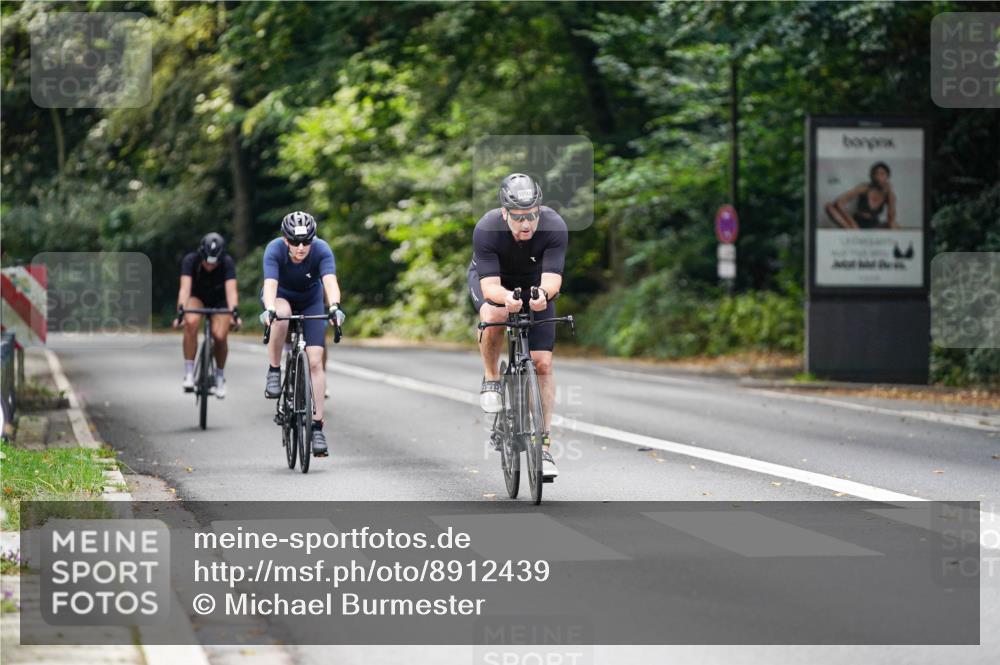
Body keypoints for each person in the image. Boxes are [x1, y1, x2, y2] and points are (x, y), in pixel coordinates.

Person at [468, 173, 568, 480]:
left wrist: (543, 295)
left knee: (543, 362)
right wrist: (507, 299)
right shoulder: (487, 228)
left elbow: (552, 280)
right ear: (504, 213)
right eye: (519, 217)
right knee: (495, 313)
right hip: (496, 283)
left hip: (534, 286)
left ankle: (545, 445)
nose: (526, 224)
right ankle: (491, 378)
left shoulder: (554, 225)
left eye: (532, 216)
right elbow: (490, 287)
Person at [259, 211, 345, 457]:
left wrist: (335, 307)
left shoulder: (321, 250)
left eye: (306, 241)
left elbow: (330, 282)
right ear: (285, 239)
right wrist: (270, 309)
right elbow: (270, 285)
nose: (300, 247)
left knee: (316, 361)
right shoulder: (274, 250)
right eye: (295, 242)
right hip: (281, 296)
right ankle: (274, 369)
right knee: (282, 315)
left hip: (310, 299)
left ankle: (317, 426)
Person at [173, 232, 241, 398]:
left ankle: (219, 376)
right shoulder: (190, 260)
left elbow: (231, 291)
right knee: (191, 322)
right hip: (198, 297)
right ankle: (189, 373)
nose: (210, 266)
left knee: (220, 336)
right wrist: (181, 313)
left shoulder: (227, 262)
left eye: (214, 263)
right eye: (207, 262)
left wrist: (234, 313)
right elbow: (185, 289)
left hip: (220, 301)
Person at [825, 161, 898, 230]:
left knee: (895, 225)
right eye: (876, 174)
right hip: (857, 222)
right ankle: (853, 231)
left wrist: (890, 192)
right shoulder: (865, 188)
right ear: (872, 176)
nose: (878, 177)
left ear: (887, 177)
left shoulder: (889, 194)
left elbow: (891, 219)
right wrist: (852, 222)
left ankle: (856, 232)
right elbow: (838, 202)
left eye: (882, 174)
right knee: (829, 207)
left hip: (874, 225)